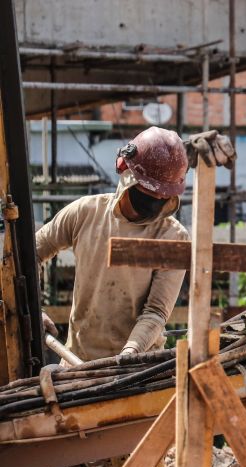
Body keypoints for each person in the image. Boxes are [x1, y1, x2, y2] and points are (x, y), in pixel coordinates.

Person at [37, 126, 190, 361]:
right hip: (77, 362)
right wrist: (36, 307)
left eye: (164, 197)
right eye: (149, 193)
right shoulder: (85, 213)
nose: (157, 201)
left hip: (136, 370)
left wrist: (130, 353)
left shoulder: (173, 237)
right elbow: (31, 252)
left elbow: (156, 312)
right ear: (126, 174)